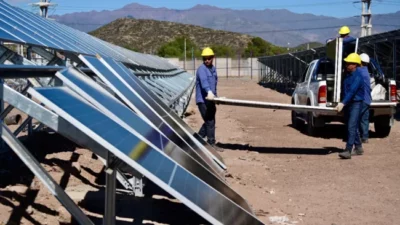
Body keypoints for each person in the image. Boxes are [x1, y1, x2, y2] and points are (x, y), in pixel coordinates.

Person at [335, 53, 364, 159]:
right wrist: (342, 102)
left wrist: (343, 103)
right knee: (351, 126)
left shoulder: (358, 77)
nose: (346, 65)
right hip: (349, 103)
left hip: (356, 103)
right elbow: (345, 91)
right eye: (346, 63)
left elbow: (352, 91)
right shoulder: (347, 75)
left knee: (351, 126)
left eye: (349, 63)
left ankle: (348, 150)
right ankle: (359, 147)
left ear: (355, 65)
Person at [195, 47, 223, 152]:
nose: (206, 60)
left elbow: (214, 84)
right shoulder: (201, 69)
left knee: (209, 120)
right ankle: (211, 143)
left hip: (210, 99)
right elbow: (204, 82)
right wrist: (209, 91)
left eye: (208, 58)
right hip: (202, 100)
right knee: (210, 121)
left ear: (213, 58)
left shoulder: (213, 69)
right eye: (204, 58)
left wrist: (215, 97)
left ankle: (197, 139)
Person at [358, 53, 372, 143]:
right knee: (364, 119)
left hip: (361, 99)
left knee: (357, 118)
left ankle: (357, 136)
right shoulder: (366, 71)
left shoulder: (359, 71)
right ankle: (365, 137)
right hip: (367, 99)